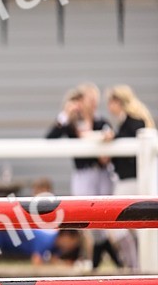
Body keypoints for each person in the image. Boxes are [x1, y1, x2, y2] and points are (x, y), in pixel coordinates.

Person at [46, 85, 119, 269]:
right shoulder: (71, 122)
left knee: (105, 215)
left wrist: (107, 137)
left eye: (95, 99)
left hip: (102, 173)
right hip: (83, 174)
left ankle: (101, 259)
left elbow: (109, 136)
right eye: (89, 98)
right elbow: (50, 138)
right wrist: (65, 114)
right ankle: (108, 258)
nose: (93, 103)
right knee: (87, 215)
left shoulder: (101, 121)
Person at [102, 85, 156, 270]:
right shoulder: (130, 121)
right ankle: (137, 266)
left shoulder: (134, 121)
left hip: (133, 181)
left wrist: (113, 138)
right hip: (131, 180)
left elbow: (131, 139)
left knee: (114, 223)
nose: (109, 106)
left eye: (111, 101)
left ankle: (136, 266)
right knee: (131, 225)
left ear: (119, 102)